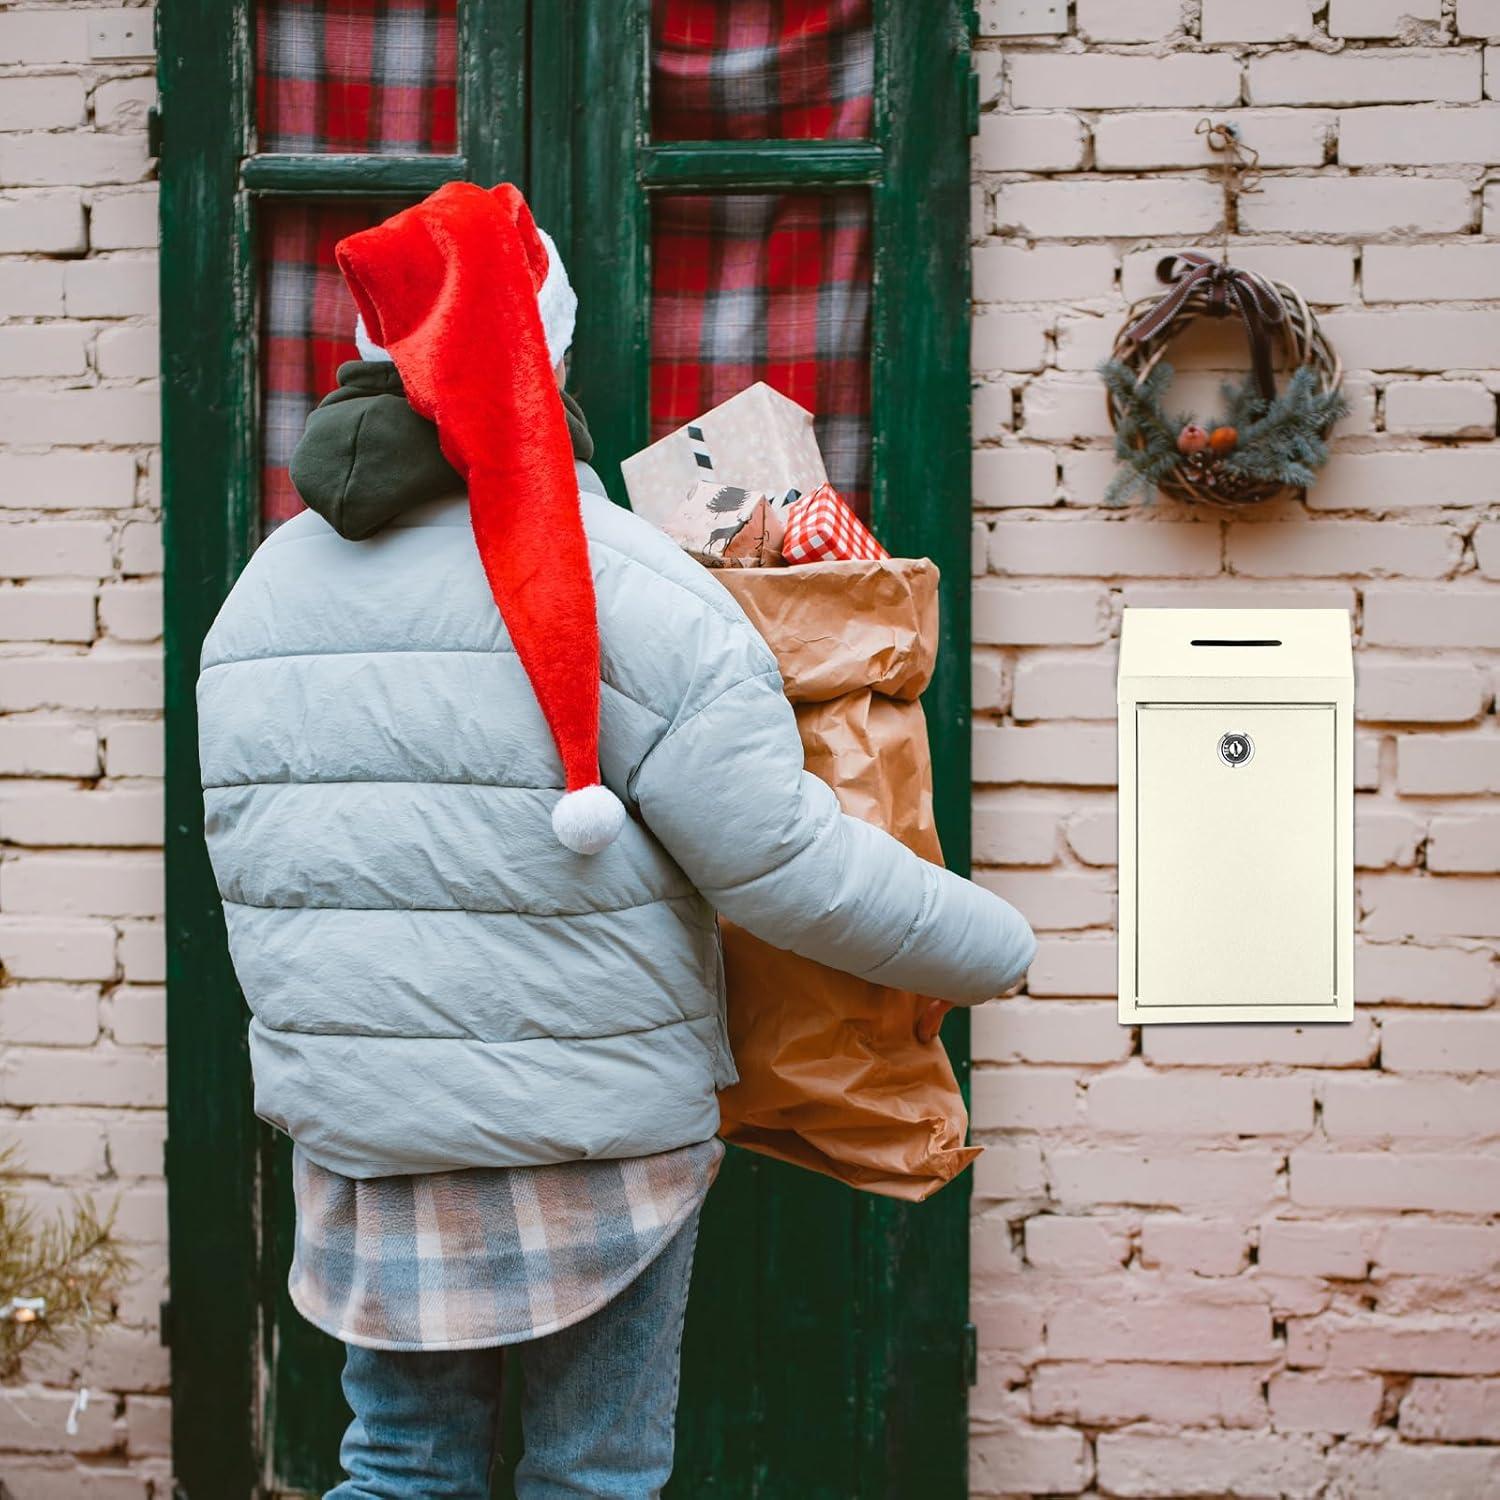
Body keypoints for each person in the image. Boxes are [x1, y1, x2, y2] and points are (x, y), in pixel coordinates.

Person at [198, 181, 1035, 1500]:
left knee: (400, 1465)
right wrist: (997, 946)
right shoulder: (628, 585)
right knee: (593, 1477)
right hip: (587, 1143)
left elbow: (254, 864)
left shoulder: (261, 593)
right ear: (549, 347)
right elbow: (785, 865)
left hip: (368, 1139)